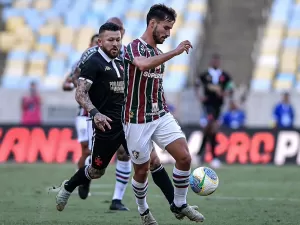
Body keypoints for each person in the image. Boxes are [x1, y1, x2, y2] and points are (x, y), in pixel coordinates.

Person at [54, 23, 186, 219]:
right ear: (100, 42)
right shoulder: (94, 62)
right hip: (106, 124)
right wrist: (95, 113)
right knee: (96, 170)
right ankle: (68, 186)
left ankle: (176, 205)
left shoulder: (125, 58)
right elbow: (80, 94)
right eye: (110, 40)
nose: (115, 44)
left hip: (131, 121)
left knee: (153, 161)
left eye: (118, 40)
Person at [123, 4, 204, 224]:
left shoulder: (158, 53)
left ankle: (179, 204)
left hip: (159, 116)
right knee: (141, 171)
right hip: (136, 120)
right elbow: (141, 65)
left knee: (185, 157)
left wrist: (166, 109)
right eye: (166, 28)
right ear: (152, 23)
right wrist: (175, 52)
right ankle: (144, 211)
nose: (168, 34)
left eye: (170, 29)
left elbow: (156, 87)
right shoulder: (132, 48)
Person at [62, 34, 99, 200]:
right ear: (90, 43)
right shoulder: (80, 62)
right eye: (95, 42)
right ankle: (82, 179)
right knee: (86, 149)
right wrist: (75, 84)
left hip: (97, 112)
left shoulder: (103, 62)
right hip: (82, 114)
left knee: (90, 150)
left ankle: (83, 179)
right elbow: (67, 83)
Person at [194, 53, 234, 168]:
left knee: (210, 131)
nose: (216, 63)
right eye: (214, 61)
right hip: (207, 105)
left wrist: (224, 93)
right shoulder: (205, 75)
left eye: (217, 61)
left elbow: (231, 88)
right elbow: (196, 85)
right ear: (211, 62)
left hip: (219, 106)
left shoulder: (224, 75)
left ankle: (199, 154)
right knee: (212, 126)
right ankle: (214, 157)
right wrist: (199, 97)